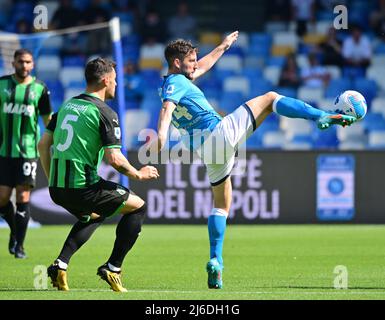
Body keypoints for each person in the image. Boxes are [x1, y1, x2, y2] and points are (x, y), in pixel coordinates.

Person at [148, 31, 356, 289]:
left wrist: (223, 47)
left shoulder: (172, 81)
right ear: (177, 63)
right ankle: (321, 116)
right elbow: (167, 108)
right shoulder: (175, 85)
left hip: (206, 150)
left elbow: (202, 67)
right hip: (218, 133)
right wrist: (160, 135)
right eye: (191, 60)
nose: (195, 64)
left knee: (221, 205)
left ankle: (216, 260)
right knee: (269, 99)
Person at [38, 58, 159, 292]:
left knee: (94, 214)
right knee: (139, 207)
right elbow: (114, 159)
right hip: (83, 187)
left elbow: (44, 145)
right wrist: (138, 174)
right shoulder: (105, 112)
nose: (116, 85)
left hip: (57, 189)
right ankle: (113, 268)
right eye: (114, 80)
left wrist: (52, 178)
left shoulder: (67, 105)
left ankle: (60, 264)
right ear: (105, 80)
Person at [0, 49, 52, 259]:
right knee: (2, 198)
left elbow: (48, 120)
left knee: (22, 195)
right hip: (4, 150)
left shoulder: (40, 89)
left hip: (28, 152)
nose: (24, 65)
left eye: (28, 62)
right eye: (21, 62)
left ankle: (19, 245)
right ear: (13, 63)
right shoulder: (2, 85)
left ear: (33, 64)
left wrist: (53, 143)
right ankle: (15, 231)